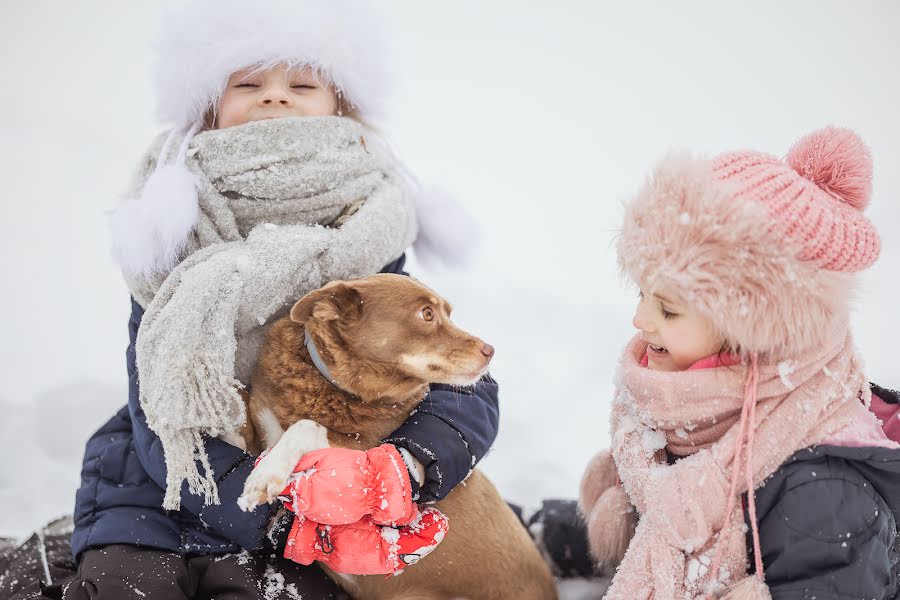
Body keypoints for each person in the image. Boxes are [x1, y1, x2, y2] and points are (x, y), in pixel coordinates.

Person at [63, 1, 499, 598]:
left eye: (301, 82)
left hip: (313, 490)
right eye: (247, 83)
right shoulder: (172, 230)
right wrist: (281, 515)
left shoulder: (367, 225)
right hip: (160, 486)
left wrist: (405, 465)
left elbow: (457, 385)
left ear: (340, 105)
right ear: (209, 109)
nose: (274, 96)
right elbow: (156, 414)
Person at [576, 126, 900, 599]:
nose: (640, 319)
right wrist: (538, 533)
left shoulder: (820, 497)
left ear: (750, 334)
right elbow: (656, 526)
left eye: (668, 308)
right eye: (642, 292)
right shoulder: (693, 412)